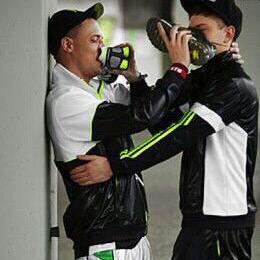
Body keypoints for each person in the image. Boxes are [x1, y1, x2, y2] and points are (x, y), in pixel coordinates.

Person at [71, 1, 259, 259]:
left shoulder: (235, 86)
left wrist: (114, 165)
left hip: (222, 224)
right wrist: (136, 80)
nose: (191, 38)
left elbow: (178, 135)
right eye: (189, 30)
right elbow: (160, 122)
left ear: (228, 34)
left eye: (201, 29)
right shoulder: (205, 79)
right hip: (197, 220)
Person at [46, 2, 197, 259]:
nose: (102, 49)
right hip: (106, 247)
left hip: (132, 239)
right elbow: (140, 116)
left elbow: (150, 111)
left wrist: (135, 77)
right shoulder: (66, 100)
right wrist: (178, 68)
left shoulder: (98, 88)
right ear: (68, 45)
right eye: (95, 40)